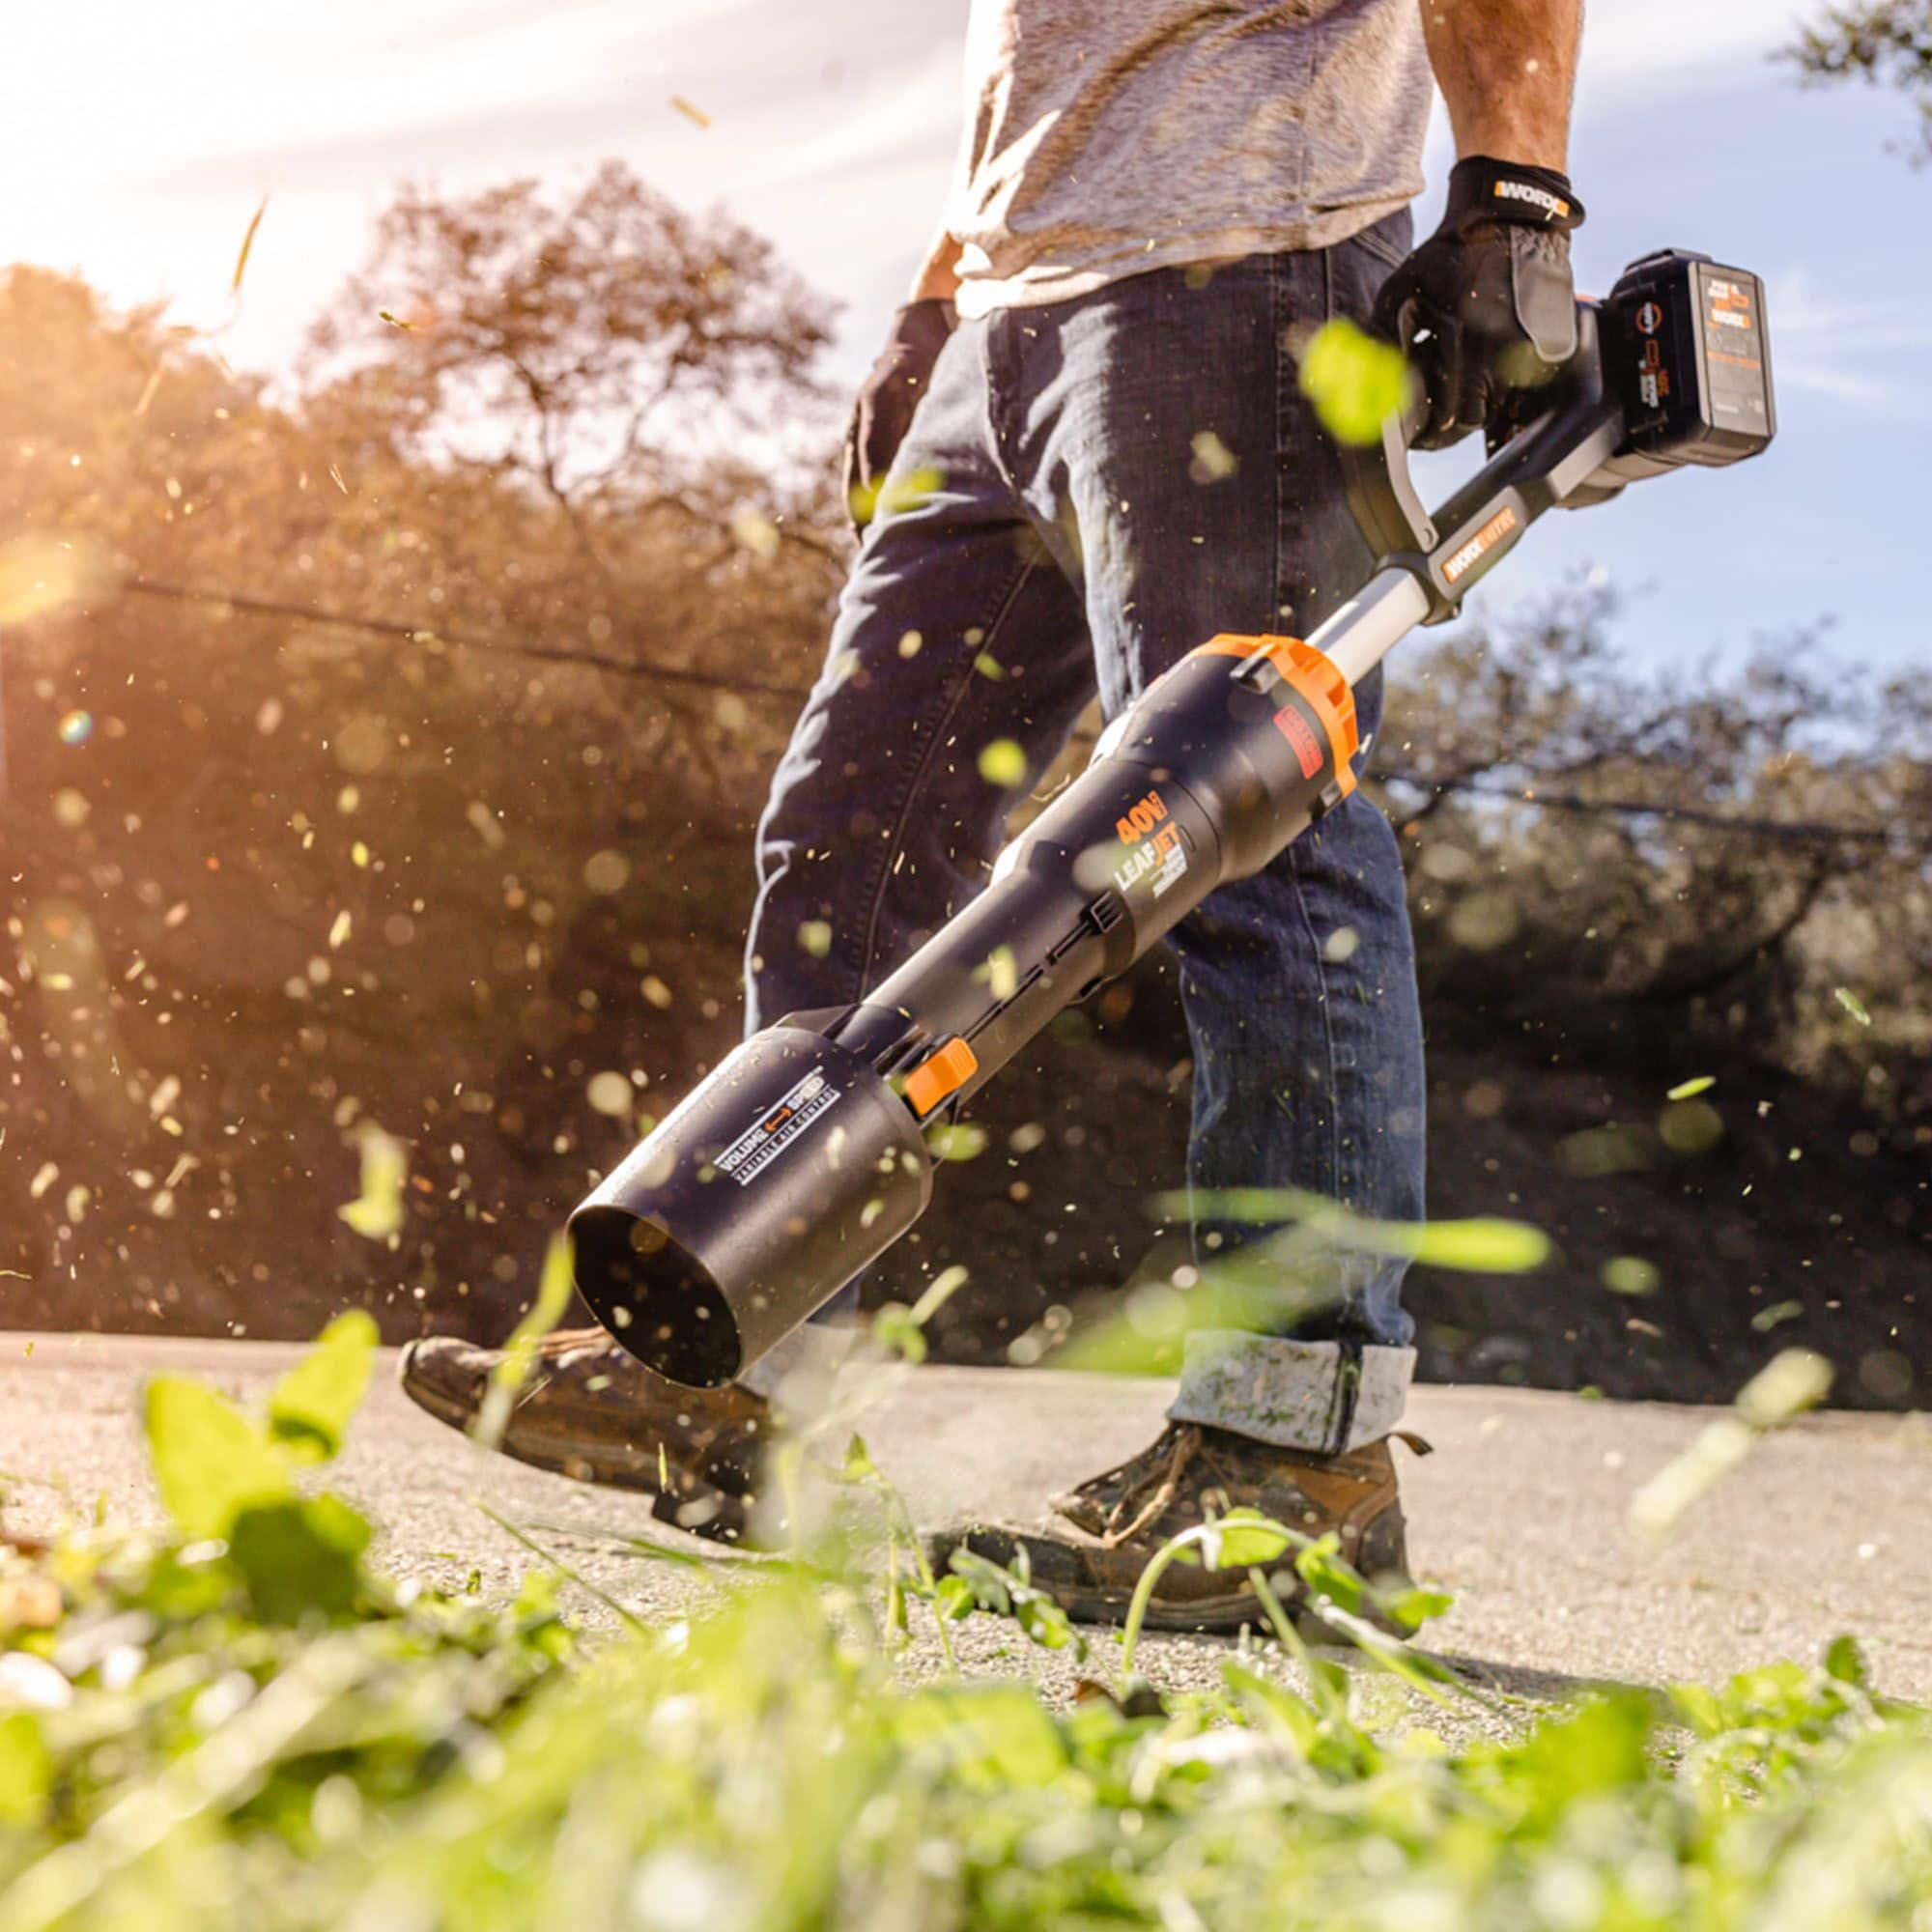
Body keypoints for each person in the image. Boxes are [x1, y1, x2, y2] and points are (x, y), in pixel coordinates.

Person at [402, 0, 1585, 1630]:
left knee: (1253, 842)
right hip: (1007, 322)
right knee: (850, 840)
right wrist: (932, 302)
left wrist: (1516, 186)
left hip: (1244, 269)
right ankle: (736, 1370)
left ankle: (1293, 1454)